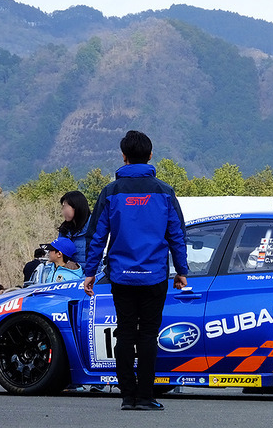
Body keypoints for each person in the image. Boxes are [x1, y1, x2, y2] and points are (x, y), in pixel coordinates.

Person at [83, 130, 189, 412]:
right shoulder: (165, 192)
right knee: (148, 335)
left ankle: (127, 397)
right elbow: (177, 235)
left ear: (123, 157)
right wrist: (182, 270)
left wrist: (90, 272)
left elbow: (96, 237)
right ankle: (145, 396)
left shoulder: (111, 192)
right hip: (154, 276)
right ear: (151, 156)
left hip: (121, 276)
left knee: (125, 333)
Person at [58, 190, 91, 271]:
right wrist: (67, 262)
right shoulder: (64, 229)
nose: (63, 211)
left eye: (64, 207)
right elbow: (59, 254)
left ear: (76, 207)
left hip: (92, 277)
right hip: (71, 277)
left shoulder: (94, 226)